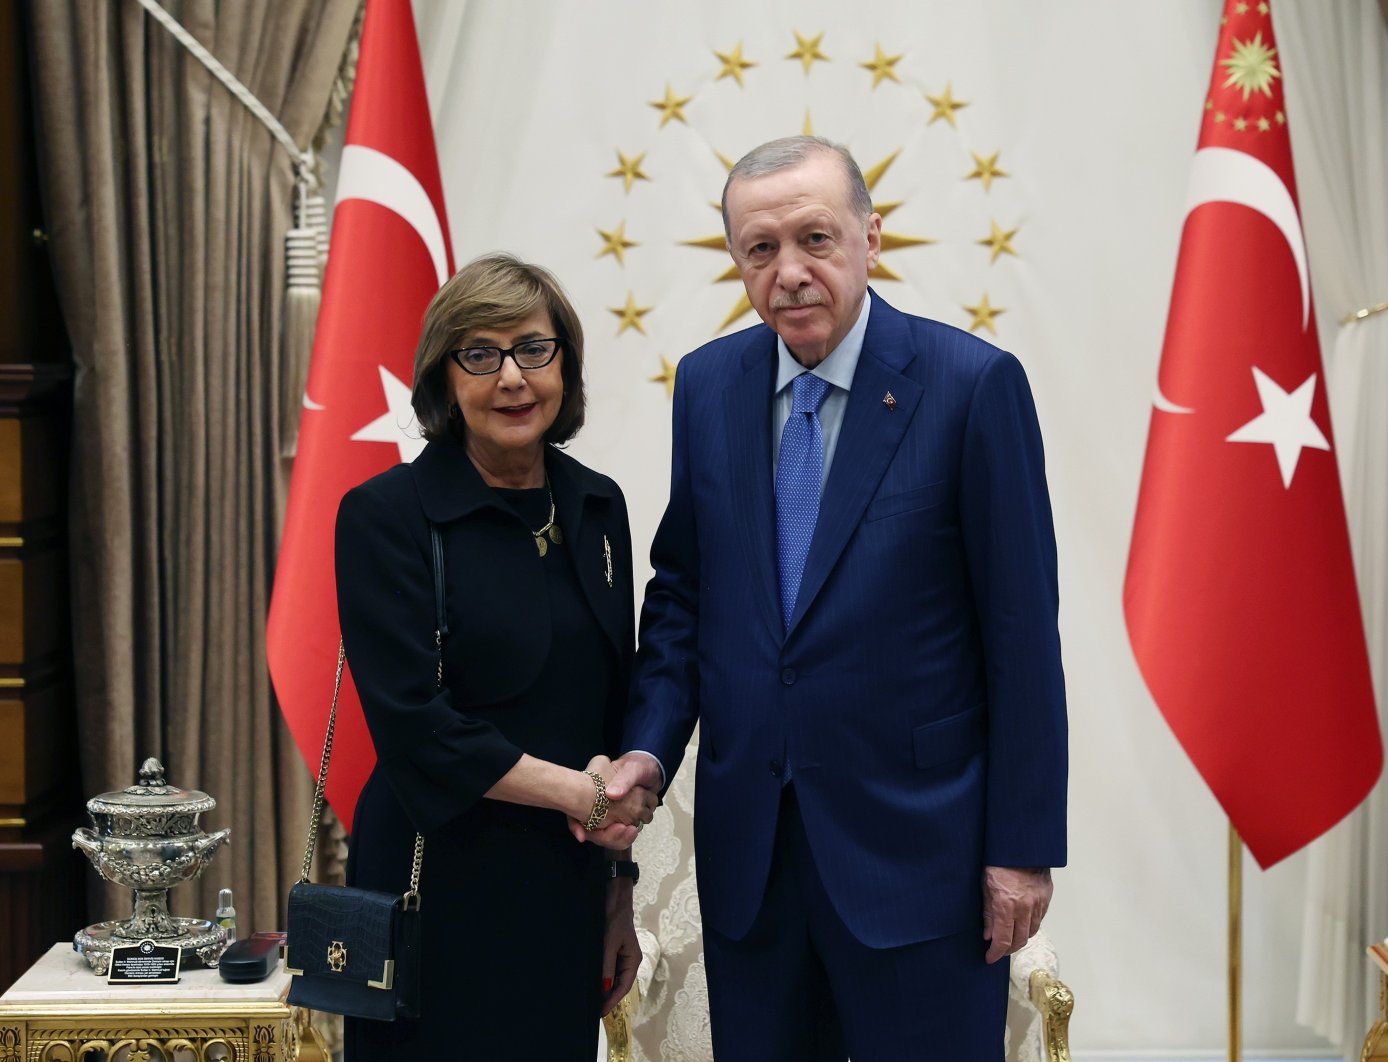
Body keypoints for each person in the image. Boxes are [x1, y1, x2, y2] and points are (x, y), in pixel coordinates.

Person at [601, 136, 1069, 1060]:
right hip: (754, 870)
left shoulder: (973, 388)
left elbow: (1021, 636)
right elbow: (685, 598)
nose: (790, 272)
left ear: (871, 236)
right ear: (736, 259)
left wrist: (1021, 847)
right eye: (761, 249)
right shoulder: (707, 388)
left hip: (920, 865)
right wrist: (649, 749)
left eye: (816, 238)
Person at [335, 253, 656, 1060]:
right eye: (480, 354)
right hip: (430, 883)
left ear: (565, 366)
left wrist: (619, 892)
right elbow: (414, 726)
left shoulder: (596, 503)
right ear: (445, 379)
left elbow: (612, 703)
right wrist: (579, 796)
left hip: (563, 885)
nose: (512, 377)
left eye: (533, 349)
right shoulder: (385, 515)